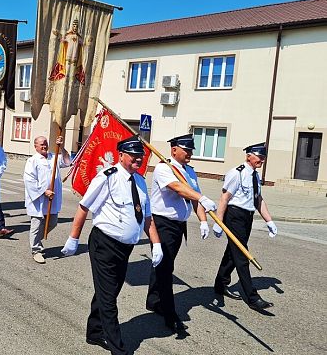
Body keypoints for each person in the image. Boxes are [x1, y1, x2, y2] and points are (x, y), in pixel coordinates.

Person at [61, 136, 163, 355]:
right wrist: (73, 238)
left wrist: (156, 244)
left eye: (141, 156)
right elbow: (84, 206)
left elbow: (147, 218)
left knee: (109, 291)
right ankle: (118, 347)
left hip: (125, 248)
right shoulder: (108, 177)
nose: (138, 159)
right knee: (108, 297)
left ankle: (94, 331)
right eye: (134, 155)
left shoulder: (140, 182)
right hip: (104, 244)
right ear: (121, 155)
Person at [145, 133, 217, 333]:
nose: (190, 153)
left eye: (191, 150)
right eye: (187, 149)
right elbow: (178, 188)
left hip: (178, 225)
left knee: (162, 264)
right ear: (174, 149)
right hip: (162, 224)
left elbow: (194, 198)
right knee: (166, 269)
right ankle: (170, 314)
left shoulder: (189, 171)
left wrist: (203, 220)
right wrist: (201, 197)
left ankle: (154, 300)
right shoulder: (164, 168)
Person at [213, 142, 278, 311]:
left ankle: (220, 284)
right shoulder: (236, 173)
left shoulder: (255, 176)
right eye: (259, 156)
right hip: (234, 216)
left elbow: (258, 200)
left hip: (247, 218)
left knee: (232, 252)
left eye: (264, 157)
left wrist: (269, 220)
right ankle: (252, 297)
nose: (262, 160)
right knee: (242, 256)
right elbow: (224, 199)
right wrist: (219, 223)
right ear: (249, 155)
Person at [23, 135, 71, 264]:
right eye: (41, 144)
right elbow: (29, 180)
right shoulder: (32, 161)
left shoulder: (53, 156)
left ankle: (36, 240)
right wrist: (43, 192)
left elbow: (67, 161)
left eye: (45, 143)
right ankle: (36, 250)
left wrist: (62, 148)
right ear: (36, 146)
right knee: (37, 224)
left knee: (52, 222)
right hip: (39, 199)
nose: (44, 146)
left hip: (52, 198)